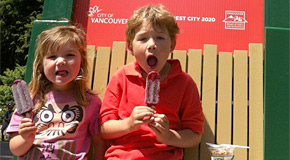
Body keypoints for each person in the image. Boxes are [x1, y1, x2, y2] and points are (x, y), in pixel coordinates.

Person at [99, 4, 204, 160]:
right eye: (142, 38)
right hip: (123, 156)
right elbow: (104, 129)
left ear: (172, 45)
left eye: (160, 38)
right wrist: (128, 124)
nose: (152, 45)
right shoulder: (121, 77)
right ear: (130, 48)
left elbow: (195, 135)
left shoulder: (185, 83)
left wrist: (168, 137)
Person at [7, 25, 105, 160]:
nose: (61, 61)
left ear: (81, 61)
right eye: (52, 56)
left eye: (69, 55)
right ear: (41, 64)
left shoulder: (90, 101)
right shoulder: (31, 98)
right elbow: (15, 150)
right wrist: (25, 138)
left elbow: (99, 142)